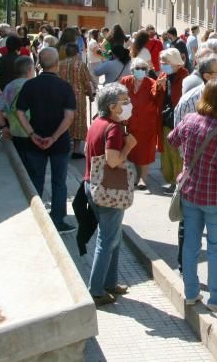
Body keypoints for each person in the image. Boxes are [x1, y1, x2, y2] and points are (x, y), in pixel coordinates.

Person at [167, 79, 217, 322]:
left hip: (190, 192)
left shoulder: (189, 121)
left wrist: (187, 158)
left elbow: (172, 140)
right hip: (216, 200)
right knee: (216, 250)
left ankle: (190, 292)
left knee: (190, 244)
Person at [173, 54, 217, 286]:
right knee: (192, 232)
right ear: (206, 76)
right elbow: (177, 138)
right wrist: (192, 162)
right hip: (197, 178)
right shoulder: (188, 102)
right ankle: (186, 271)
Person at [84, 83, 139, 306]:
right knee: (107, 240)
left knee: (112, 237)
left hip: (91, 185)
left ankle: (110, 282)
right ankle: (96, 290)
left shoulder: (98, 121)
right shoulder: (114, 128)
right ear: (113, 106)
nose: (128, 104)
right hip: (108, 190)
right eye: (124, 101)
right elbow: (113, 160)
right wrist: (129, 147)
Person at [15, 47, 78, 232]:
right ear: (57, 64)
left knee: (36, 180)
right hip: (59, 142)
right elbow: (69, 117)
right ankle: (57, 220)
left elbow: (19, 113)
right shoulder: (65, 87)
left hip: (35, 140)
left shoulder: (30, 85)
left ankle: (35, 217)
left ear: (38, 64)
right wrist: (54, 137)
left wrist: (32, 134)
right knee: (59, 182)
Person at [120, 58, 164, 190]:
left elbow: (157, 97)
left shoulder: (152, 83)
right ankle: (138, 175)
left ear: (147, 70)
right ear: (132, 70)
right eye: (137, 68)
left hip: (147, 123)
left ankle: (143, 178)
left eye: (143, 69)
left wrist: (161, 86)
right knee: (132, 151)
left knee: (145, 151)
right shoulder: (125, 81)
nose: (140, 71)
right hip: (130, 122)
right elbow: (119, 97)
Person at [156, 48, 189, 192]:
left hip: (179, 120)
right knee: (167, 153)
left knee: (178, 153)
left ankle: (179, 182)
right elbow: (154, 94)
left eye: (166, 62)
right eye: (162, 61)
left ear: (175, 62)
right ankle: (171, 180)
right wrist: (160, 86)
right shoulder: (164, 75)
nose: (163, 64)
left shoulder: (184, 75)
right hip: (165, 119)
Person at [57, 43, 95, 159]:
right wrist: (90, 94)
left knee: (64, 118)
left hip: (62, 96)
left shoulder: (60, 64)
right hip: (77, 97)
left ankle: (64, 145)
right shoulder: (81, 65)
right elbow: (87, 82)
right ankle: (76, 150)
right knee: (78, 121)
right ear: (77, 52)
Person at [0, 55, 35, 140]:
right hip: (32, 133)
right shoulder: (33, 86)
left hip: (14, 133)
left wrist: (3, 127)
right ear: (30, 69)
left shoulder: (9, 86)